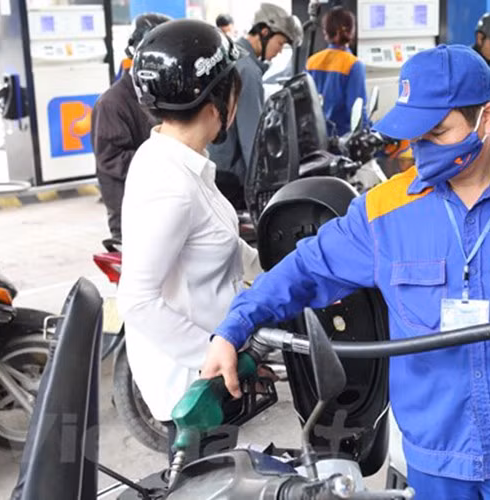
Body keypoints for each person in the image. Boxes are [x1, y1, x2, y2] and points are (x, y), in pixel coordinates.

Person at [201, 44, 490, 499]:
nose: (422, 150)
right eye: (414, 136)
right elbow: (304, 269)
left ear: (487, 118)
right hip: (435, 454)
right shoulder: (384, 210)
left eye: (437, 133)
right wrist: (233, 328)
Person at [116, 19, 262, 459]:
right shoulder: (172, 186)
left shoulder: (179, 159)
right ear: (218, 100)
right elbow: (137, 300)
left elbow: (225, 246)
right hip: (194, 388)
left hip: (213, 366)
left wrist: (283, 276)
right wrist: (214, 354)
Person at [207, 3, 302, 211]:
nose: (279, 51)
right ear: (264, 32)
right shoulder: (248, 70)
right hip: (232, 177)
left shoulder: (232, 55)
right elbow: (253, 140)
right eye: (280, 43)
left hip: (217, 168)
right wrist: (267, 186)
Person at [91, 13, 170, 240]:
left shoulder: (155, 97)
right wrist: (168, 162)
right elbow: (112, 159)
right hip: (133, 218)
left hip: (159, 209)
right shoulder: (112, 104)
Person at [306, 6, 368, 136]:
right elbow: (356, 111)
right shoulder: (354, 65)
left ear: (326, 32)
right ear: (352, 30)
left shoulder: (312, 61)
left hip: (315, 139)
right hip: (341, 139)